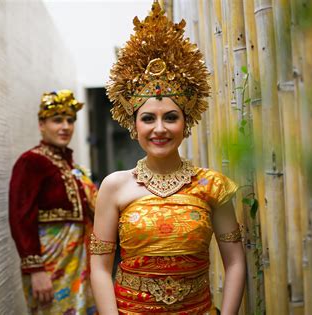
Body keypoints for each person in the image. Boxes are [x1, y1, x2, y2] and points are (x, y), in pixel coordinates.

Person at [90, 2, 246, 315]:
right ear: (134, 125)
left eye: (171, 117)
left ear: (186, 124)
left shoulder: (213, 186)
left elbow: (236, 262)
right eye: (148, 118)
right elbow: (99, 266)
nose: (159, 129)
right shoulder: (114, 187)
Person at [9, 90, 98, 315]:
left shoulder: (71, 165)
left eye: (70, 120)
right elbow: (20, 217)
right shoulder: (31, 161)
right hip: (50, 265)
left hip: (82, 262)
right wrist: (36, 269)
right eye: (57, 120)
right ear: (42, 124)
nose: (65, 126)